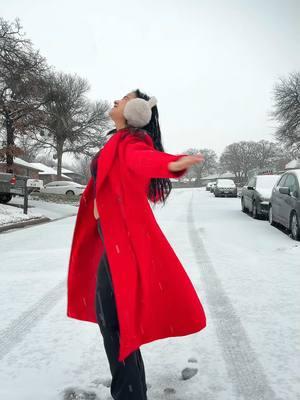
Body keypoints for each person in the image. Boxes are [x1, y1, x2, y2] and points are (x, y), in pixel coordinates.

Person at [67, 89, 206, 400]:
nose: (117, 100)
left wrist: (172, 165)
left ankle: (129, 394)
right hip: (109, 239)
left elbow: (146, 160)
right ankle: (133, 391)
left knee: (114, 324)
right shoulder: (116, 141)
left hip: (123, 242)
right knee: (114, 322)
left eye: (125, 98)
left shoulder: (132, 142)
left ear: (135, 110)